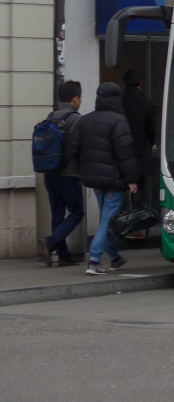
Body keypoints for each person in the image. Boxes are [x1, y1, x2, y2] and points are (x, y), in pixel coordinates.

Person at [67, 82, 139, 275]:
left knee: (107, 219)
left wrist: (84, 170)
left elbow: (73, 150)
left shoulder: (84, 120)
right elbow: (125, 153)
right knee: (107, 221)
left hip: (94, 180)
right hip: (113, 182)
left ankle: (114, 257)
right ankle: (94, 260)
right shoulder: (119, 121)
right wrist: (131, 179)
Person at [40, 80, 85, 267]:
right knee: (77, 212)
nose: (81, 101)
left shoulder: (51, 117)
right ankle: (51, 242)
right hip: (68, 173)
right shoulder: (75, 119)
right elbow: (77, 147)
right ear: (75, 99)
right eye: (80, 97)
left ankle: (64, 255)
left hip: (50, 172)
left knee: (57, 213)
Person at [121, 69, 158, 231]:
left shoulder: (119, 102)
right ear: (140, 84)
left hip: (121, 151)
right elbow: (151, 128)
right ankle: (137, 227)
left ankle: (120, 223)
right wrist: (150, 144)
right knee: (138, 188)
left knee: (120, 190)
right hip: (140, 151)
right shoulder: (145, 103)